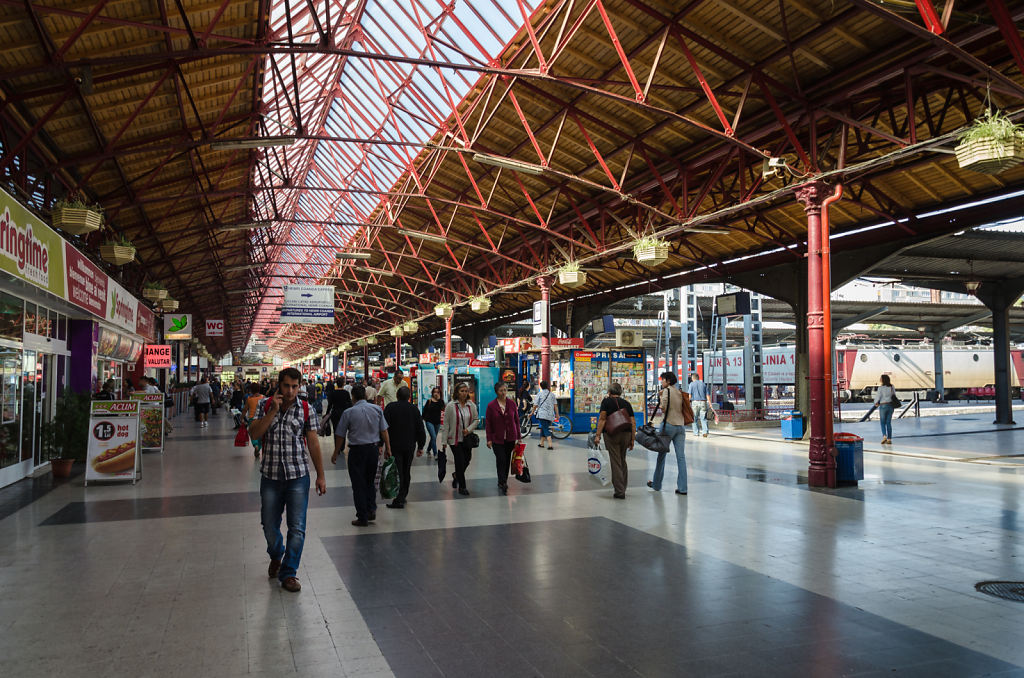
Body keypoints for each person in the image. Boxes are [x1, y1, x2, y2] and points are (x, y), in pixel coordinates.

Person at [247, 367, 326, 593]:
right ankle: (276, 554)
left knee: (297, 528)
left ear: (299, 386)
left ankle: (289, 572)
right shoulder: (264, 405)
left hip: (297, 477)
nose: (290, 391)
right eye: (286, 386)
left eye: (294, 386)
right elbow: (254, 434)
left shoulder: (306, 409)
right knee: (269, 525)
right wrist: (273, 411)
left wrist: (320, 475)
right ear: (278, 385)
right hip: (271, 476)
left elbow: (313, 442)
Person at [336, 385, 392, 526]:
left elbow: (340, 435)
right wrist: (388, 448)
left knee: (358, 484)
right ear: (366, 396)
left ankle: (362, 516)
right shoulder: (377, 409)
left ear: (353, 397)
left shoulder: (348, 412)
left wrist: (336, 451)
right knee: (370, 482)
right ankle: (371, 509)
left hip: (356, 452)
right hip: (373, 450)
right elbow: (384, 431)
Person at [383, 386, 425, 509]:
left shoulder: (390, 408)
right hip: (409, 445)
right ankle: (403, 495)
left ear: (397, 395)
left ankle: (399, 498)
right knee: (406, 470)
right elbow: (420, 429)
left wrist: (383, 445)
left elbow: (384, 428)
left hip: (394, 445)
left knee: (398, 471)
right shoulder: (414, 409)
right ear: (409, 397)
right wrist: (421, 446)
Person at [593, 382, 635, 499]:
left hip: (612, 434)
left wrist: (598, 435)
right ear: (620, 392)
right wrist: (632, 439)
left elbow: (602, 419)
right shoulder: (627, 403)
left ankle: (619, 491)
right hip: (626, 433)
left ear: (609, 392)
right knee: (622, 460)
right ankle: (623, 486)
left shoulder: (606, 402)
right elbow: (632, 422)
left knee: (615, 461)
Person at [648, 372, 688, 496]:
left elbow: (663, 408)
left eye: (663, 380)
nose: (661, 382)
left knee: (661, 455)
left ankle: (656, 484)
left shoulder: (667, 391)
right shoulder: (679, 392)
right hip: (680, 426)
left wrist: (661, 397)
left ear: (668, 381)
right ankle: (683, 488)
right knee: (681, 458)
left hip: (668, 425)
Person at [439, 382, 478, 496]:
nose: (464, 393)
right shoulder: (451, 406)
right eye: (462, 391)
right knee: (460, 461)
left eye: (466, 391)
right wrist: (444, 441)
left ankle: (456, 475)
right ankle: (462, 486)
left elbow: (476, 420)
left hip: (467, 438)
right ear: (456, 392)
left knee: (467, 459)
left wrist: (469, 429)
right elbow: (446, 424)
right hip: (454, 439)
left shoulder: (471, 405)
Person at [485, 381, 521, 495]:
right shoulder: (491, 406)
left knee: (506, 459)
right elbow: (488, 423)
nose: (503, 392)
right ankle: (502, 481)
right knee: (501, 459)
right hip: (497, 438)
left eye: (505, 390)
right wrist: (489, 439)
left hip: (510, 437)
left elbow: (516, 421)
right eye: (501, 390)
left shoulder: (512, 404)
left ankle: (503, 480)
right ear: (496, 392)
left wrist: (519, 437)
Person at [327, 382, 353, 466]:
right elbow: (349, 403)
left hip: (335, 413)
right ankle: (342, 447)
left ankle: (337, 448)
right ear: (343, 384)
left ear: (336, 384)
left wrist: (327, 413)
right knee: (344, 429)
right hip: (344, 413)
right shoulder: (346, 393)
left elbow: (330, 404)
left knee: (336, 430)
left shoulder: (333, 393)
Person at [532, 380, 558, 450]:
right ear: (547, 386)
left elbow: (535, 405)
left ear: (541, 386)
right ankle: (541, 443)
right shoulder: (552, 394)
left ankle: (550, 445)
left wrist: (531, 413)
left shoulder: (539, 394)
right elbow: (555, 405)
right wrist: (557, 415)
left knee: (546, 429)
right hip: (550, 415)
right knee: (544, 427)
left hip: (542, 414)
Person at [421, 386, 444, 460]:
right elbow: (424, 411)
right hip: (429, 421)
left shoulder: (441, 401)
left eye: (437, 392)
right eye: (435, 392)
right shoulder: (429, 401)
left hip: (437, 422)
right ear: (432, 393)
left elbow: (442, 408)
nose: (436, 393)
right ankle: (435, 454)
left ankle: (428, 449)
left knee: (433, 438)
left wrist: (439, 399)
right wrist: (423, 419)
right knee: (433, 437)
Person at [874, 374, 896, 444]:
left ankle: (884, 436)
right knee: (888, 423)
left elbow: (878, 397)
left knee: (882, 422)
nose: (880, 379)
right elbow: (894, 395)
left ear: (883, 379)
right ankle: (889, 439)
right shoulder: (892, 387)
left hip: (883, 406)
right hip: (890, 406)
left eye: (880, 378)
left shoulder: (881, 388)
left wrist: (876, 403)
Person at [245, 384, 265, 458]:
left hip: (252, 418)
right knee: (260, 433)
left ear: (251, 390)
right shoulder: (263, 397)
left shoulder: (249, 399)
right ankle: (259, 447)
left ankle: (255, 445)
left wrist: (241, 417)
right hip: (261, 418)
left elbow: (245, 409)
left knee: (253, 433)